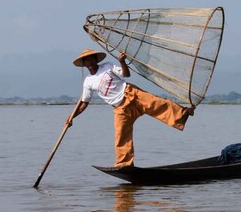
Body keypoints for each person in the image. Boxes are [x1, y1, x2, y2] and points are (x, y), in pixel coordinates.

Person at [66, 49, 195, 168]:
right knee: (121, 135)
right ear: (84, 64)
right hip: (120, 108)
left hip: (131, 94)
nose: (89, 63)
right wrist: (72, 117)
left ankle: (183, 113)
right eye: (86, 61)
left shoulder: (108, 66)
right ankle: (124, 164)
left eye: (91, 59)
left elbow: (126, 74)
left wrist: (122, 62)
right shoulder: (88, 82)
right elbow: (84, 103)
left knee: (157, 104)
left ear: (95, 60)